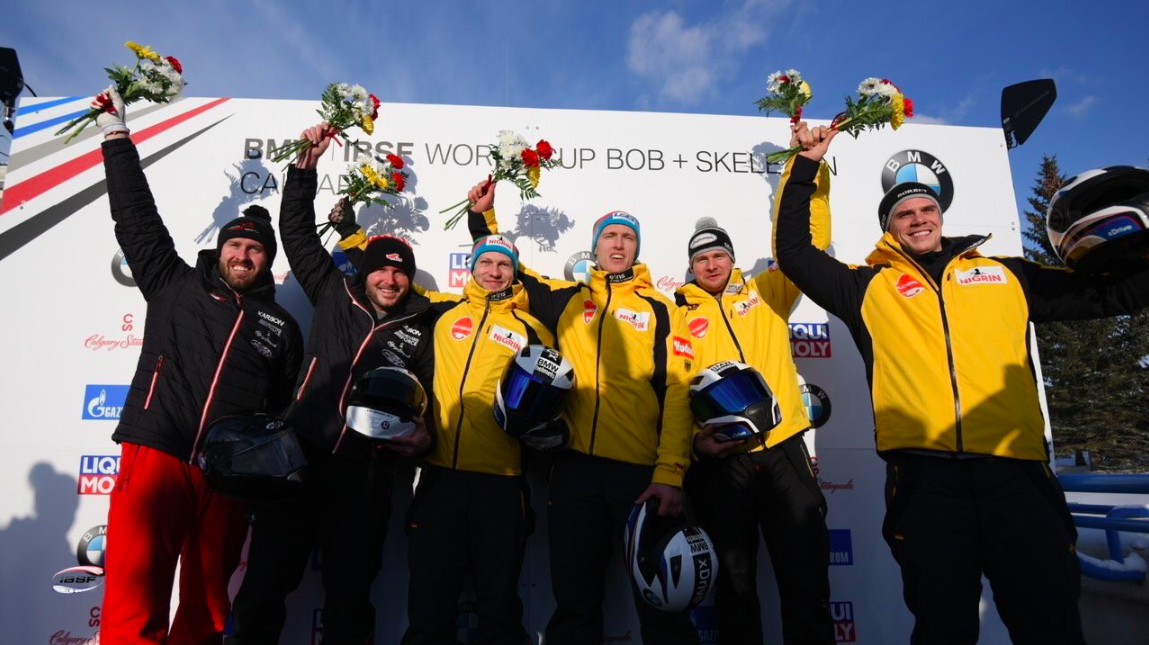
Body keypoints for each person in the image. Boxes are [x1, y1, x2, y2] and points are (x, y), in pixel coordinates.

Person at [774, 123, 1149, 644]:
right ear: (890, 227)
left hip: (1017, 476)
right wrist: (807, 165)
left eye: (927, 209)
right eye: (905, 214)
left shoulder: (1008, 276)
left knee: (1051, 623)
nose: (919, 219)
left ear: (941, 216)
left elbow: (1113, 296)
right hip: (925, 482)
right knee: (942, 627)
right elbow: (794, 253)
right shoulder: (867, 287)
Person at [95, 88, 304, 645]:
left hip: (227, 477)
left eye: (256, 250)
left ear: (267, 261)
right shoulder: (173, 283)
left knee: (208, 609)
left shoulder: (281, 328)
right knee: (133, 599)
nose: (243, 254)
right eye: (236, 244)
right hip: (158, 452)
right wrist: (117, 139)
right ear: (221, 249)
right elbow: (135, 219)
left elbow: (279, 408)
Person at [229, 123, 435, 645]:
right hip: (298, 458)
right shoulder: (332, 290)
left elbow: (435, 396)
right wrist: (305, 167)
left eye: (400, 275)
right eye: (381, 272)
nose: (389, 280)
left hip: (366, 476)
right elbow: (296, 232)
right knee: (264, 588)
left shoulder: (423, 325)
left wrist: (425, 434)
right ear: (362, 272)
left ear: (409, 280)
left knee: (350, 602)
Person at [466, 183, 698, 645]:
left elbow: (678, 393)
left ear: (636, 249)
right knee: (575, 604)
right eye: (609, 236)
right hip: (572, 471)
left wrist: (670, 472)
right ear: (594, 248)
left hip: (640, 475)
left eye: (627, 238)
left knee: (661, 605)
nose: (618, 244)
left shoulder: (661, 310)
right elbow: (511, 272)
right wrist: (484, 219)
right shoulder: (566, 298)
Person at [336, 179, 562, 644]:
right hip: (439, 478)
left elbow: (551, 399)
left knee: (499, 609)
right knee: (429, 607)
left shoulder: (533, 327)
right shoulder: (443, 310)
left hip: (502, 483)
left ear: (514, 273)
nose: (495, 272)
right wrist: (350, 234)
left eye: (504, 265)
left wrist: (545, 432)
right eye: (487, 263)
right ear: (472, 269)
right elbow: (385, 276)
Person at [676, 125, 835, 643]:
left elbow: (811, 240)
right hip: (722, 463)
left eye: (718, 255)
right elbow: (675, 391)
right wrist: (691, 447)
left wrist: (813, 170)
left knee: (805, 581)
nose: (711, 264)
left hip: (784, 449)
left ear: (731, 257)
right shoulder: (678, 314)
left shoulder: (768, 290)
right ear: (692, 267)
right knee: (736, 587)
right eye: (701, 259)